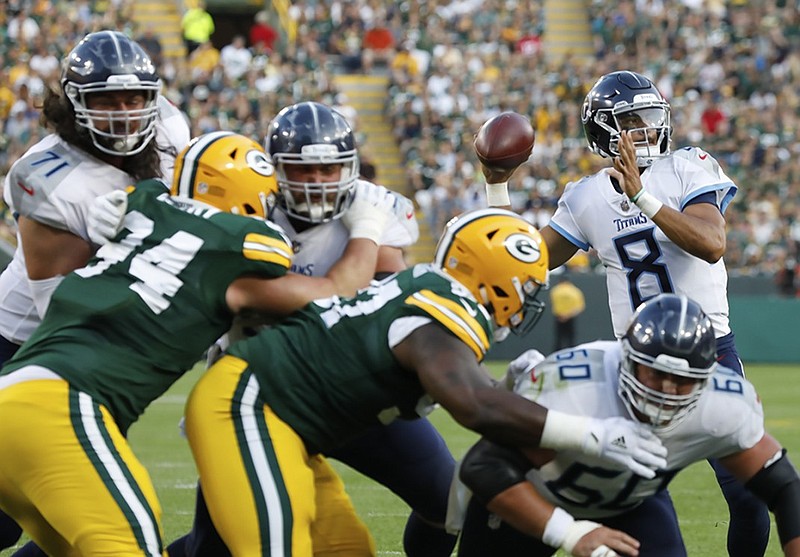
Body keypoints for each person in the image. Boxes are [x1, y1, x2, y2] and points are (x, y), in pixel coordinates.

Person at [184, 207, 672, 556]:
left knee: (346, 548)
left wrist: (501, 390)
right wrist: (592, 434)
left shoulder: (434, 298)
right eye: (525, 289)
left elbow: (462, 385)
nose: (527, 303)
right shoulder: (443, 312)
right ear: (495, 281)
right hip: (250, 406)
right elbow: (472, 407)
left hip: (292, 427)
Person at [0, 130, 399, 556]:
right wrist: (368, 230)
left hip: (13, 387)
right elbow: (336, 291)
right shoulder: (240, 246)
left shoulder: (143, 204)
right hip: (64, 409)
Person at [484, 70, 770, 557]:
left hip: (707, 352)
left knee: (750, 496)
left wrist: (643, 196)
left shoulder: (689, 167)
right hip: (630, 362)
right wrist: (496, 187)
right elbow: (524, 261)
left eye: (651, 117)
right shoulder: (584, 195)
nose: (646, 128)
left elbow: (712, 243)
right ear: (602, 131)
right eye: (631, 120)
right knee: (593, 484)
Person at [166, 101, 456, 557]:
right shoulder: (247, 212)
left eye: (330, 169)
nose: (319, 181)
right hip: (262, 398)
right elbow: (329, 296)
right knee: (218, 545)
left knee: (449, 503)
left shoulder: (377, 211)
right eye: (305, 171)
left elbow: (384, 309)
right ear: (274, 172)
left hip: (352, 395)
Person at [0, 30, 190, 555]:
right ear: (72, 104)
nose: (124, 114)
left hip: (98, 354)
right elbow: (65, 318)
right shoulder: (46, 178)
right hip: (26, 346)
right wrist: (124, 245)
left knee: (83, 517)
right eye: (105, 101)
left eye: (134, 99)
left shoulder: (170, 128)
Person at [454, 293, 800, 557]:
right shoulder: (573, 387)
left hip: (629, 501)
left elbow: (784, 488)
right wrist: (571, 534)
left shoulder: (722, 405)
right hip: (530, 499)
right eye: (657, 374)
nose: (666, 391)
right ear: (628, 359)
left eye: (681, 380)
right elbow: (483, 466)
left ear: (706, 378)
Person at [549, 274, 585, 351]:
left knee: (558, 340)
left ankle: (556, 359)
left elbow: (554, 303)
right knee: (571, 341)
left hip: (559, 317)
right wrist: (568, 315)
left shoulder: (556, 290)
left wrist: (562, 315)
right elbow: (580, 307)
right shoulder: (575, 291)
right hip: (571, 318)